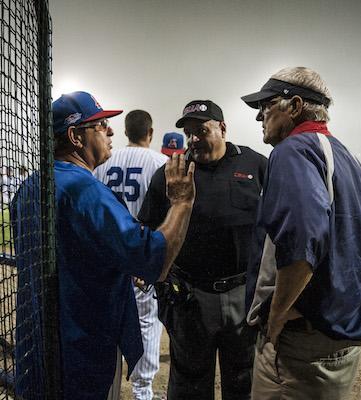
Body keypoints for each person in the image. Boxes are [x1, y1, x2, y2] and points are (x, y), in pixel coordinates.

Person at [11, 91, 195, 400]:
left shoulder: (30, 186)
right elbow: (155, 261)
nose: (111, 131)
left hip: (36, 344)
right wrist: (181, 203)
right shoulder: (86, 190)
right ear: (75, 136)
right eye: (100, 125)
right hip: (83, 349)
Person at [241, 67, 361, 400]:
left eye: (266, 105)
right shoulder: (344, 153)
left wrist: (278, 315)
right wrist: (338, 285)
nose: (259, 117)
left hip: (302, 342)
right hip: (341, 332)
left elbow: (303, 239)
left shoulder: (292, 150)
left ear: (294, 106)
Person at [138, 100, 268, 400]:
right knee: (189, 384)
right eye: (189, 132)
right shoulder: (171, 172)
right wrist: (157, 278)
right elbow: (147, 227)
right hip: (190, 296)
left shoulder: (254, 164)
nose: (194, 138)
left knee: (245, 378)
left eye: (202, 129)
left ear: (222, 128)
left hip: (243, 292)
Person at [94, 109, 168, 400]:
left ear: (125, 132)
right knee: (147, 322)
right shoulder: (160, 161)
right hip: (142, 252)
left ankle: (109, 389)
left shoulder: (105, 161)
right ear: (149, 133)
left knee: (108, 321)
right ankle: (142, 391)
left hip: (109, 254)